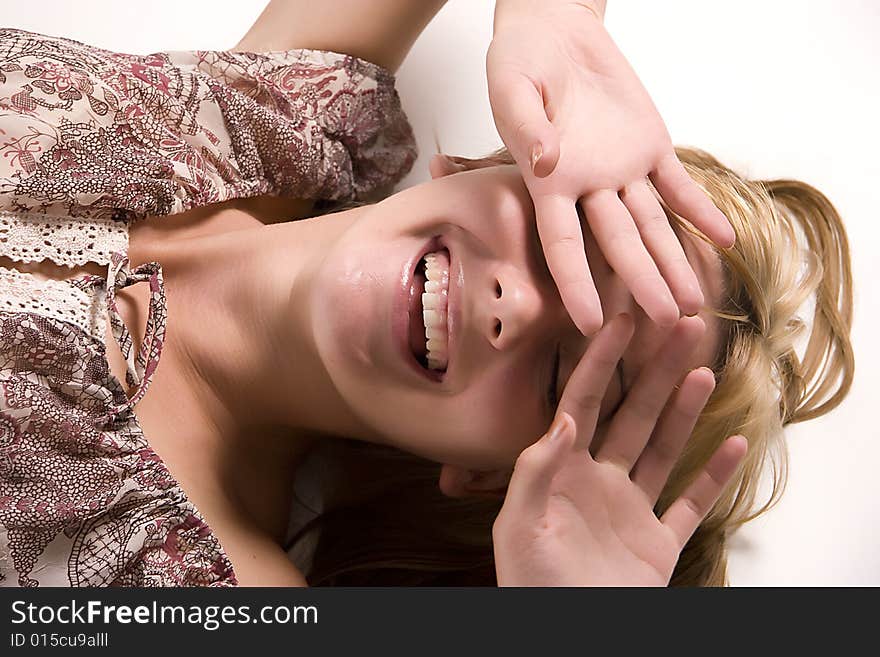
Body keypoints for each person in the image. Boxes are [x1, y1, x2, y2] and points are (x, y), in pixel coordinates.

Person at [0, 0, 853, 587]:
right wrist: (556, 25)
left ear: (493, 478)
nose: (517, 309)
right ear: (496, 159)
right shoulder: (281, 116)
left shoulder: (198, 583)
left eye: (567, 380)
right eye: (570, 248)